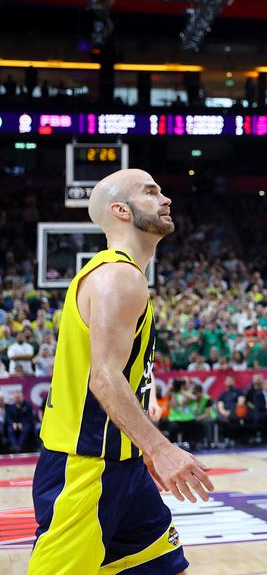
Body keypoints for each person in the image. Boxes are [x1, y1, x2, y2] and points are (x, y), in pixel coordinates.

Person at [29, 169, 212, 574]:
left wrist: (137, 443)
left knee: (167, 568)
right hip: (86, 469)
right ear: (120, 210)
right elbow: (105, 379)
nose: (165, 199)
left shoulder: (126, 274)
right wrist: (160, 449)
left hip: (122, 466)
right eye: (150, 192)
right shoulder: (118, 276)